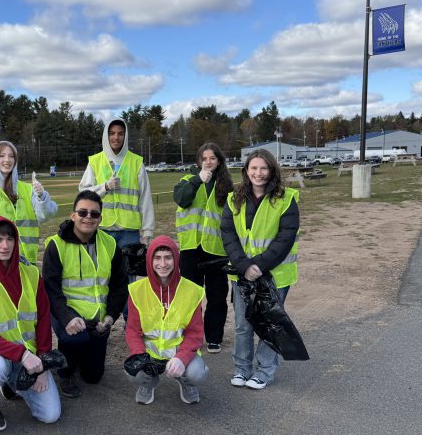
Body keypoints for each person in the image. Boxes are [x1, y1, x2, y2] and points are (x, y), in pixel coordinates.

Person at [0, 216, 60, 431]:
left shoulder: (32, 275)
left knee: (50, 415)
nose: (4, 245)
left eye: (9, 239)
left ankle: (12, 383)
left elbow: (44, 320)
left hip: (30, 358)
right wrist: (22, 355)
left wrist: (43, 364)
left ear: (16, 241)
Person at [221, 148, 300, 390]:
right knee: (243, 324)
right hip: (243, 274)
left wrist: (260, 266)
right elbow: (228, 234)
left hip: (275, 274)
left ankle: (265, 371)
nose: (258, 173)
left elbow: (285, 238)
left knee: (269, 322)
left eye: (263, 168)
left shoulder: (286, 198)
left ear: (272, 170)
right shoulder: (234, 198)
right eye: (254, 168)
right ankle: (242, 369)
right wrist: (245, 266)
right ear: (246, 171)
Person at [42, 190, 128, 398]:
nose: (88, 217)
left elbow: (120, 285)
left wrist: (110, 316)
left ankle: (81, 357)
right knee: (75, 340)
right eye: (82, 212)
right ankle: (65, 372)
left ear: (100, 218)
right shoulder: (56, 245)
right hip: (68, 314)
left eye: (94, 214)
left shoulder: (110, 244)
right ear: (73, 215)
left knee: (93, 377)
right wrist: (67, 318)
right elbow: (50, 291)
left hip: (99, 318)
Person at [125, 236, 209, 405]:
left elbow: (195, 333)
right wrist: (140, 355)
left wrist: (182, 358)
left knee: (197, 373)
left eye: (168, 257)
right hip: (150, 352)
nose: (162, 264)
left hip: (178, 350)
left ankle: (185, 381)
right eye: (157, 258)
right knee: (133, 373)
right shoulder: (137, 290)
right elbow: (132, 330)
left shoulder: (192, 291)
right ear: (149, 260)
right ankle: (149, 383)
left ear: (176, 259)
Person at [173, 142, 234, 354]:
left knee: (217, 295)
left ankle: (214, 337)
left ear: (219, 162)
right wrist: (197, 180)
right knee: (191, 296)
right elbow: (181, 199)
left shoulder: (226, 186)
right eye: (204, 158)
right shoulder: (187, 180)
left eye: (213, 158)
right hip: (191, 248)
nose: (208, 162)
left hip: (216, 249)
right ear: (198, 160)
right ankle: (193, 336)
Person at [0, 141, 58, 263]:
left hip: (27, 261)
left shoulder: (27, 189)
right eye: (2, 156)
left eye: (11, 156)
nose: (7, 160)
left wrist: (41, 196)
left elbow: (45, 215)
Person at [79, 119, 154, 249]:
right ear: (106, 136)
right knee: (103, 269)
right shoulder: (95, 161)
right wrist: (105, 187)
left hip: (129, 231)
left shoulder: (136, 162)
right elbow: (83, 194)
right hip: (102, 228)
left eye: (120, 133)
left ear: (125, 136)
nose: (116, 137)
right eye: (112, 133)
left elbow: (145, 198)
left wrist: (147, 230)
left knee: (128, 269)